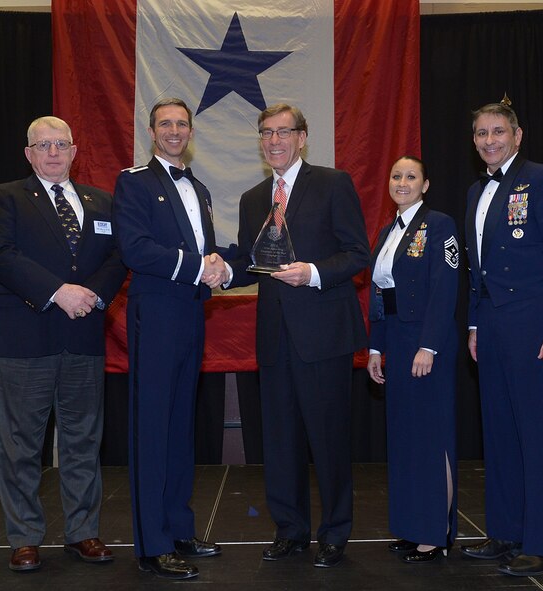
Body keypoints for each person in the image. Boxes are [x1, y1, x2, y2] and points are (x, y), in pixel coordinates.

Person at [215, 103, 369, 568]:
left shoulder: (333, 183)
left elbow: (357, 253)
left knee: (328, 440)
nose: (275, 141)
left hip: (323, 336)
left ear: (302, 137)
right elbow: (249, 261)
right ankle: (291, 530)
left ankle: (335, 532)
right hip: (275, 338)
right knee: (279, 443)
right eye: (267, 133)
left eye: (284, 132)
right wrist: (221, 270)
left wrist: (315, 273)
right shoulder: (253, 197)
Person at [0, 116, 127, 572]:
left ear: (74, 149)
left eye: (61, 143)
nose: (52, 152)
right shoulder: (6, 197)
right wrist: (58, 292)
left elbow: (118, 256)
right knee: (22, 443)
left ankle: (82, 531)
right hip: (28, 340)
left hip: (84, 338)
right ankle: (24, 536)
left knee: (84, 440)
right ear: (28, 153)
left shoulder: (102, 202)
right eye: (43, 145)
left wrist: (94, 294)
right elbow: (2, 256)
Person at [460, 99, 543, 577]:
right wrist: (473, 324)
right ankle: (506, 532)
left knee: (537, 434)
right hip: (490, 326)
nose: (489, 140)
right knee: (500, 433)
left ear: (517, 134)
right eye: (480, 133)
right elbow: (476, 269)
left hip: (535, 325)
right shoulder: (475, 191)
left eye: (497, 131)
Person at [112, 98, 226, 580]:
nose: (174, 131)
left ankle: (179, 527)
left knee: (181, 426)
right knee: (153, 429)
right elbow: (135, 249)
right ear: (152, 131)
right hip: (156, 314)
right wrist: (202, 266)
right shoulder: (133, 182)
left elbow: (207, 251)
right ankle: (152, 544)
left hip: (192, 314)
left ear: (191, 130)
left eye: (182, 123)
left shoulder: (198, 188)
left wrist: (222, 265)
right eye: (165, 124)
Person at [366, 157, 460, 563]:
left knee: (431, 437)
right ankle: (410, 525)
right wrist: (375, 347)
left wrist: (430, 345)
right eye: (396, 176)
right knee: (404, 440)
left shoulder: (440, 225)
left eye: (411, 177)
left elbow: (445, 288)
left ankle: (436, 533)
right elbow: (380, 295)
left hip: (427, 343)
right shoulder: (388, 232)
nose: (402, 182)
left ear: (425, 185)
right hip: (398, 342)